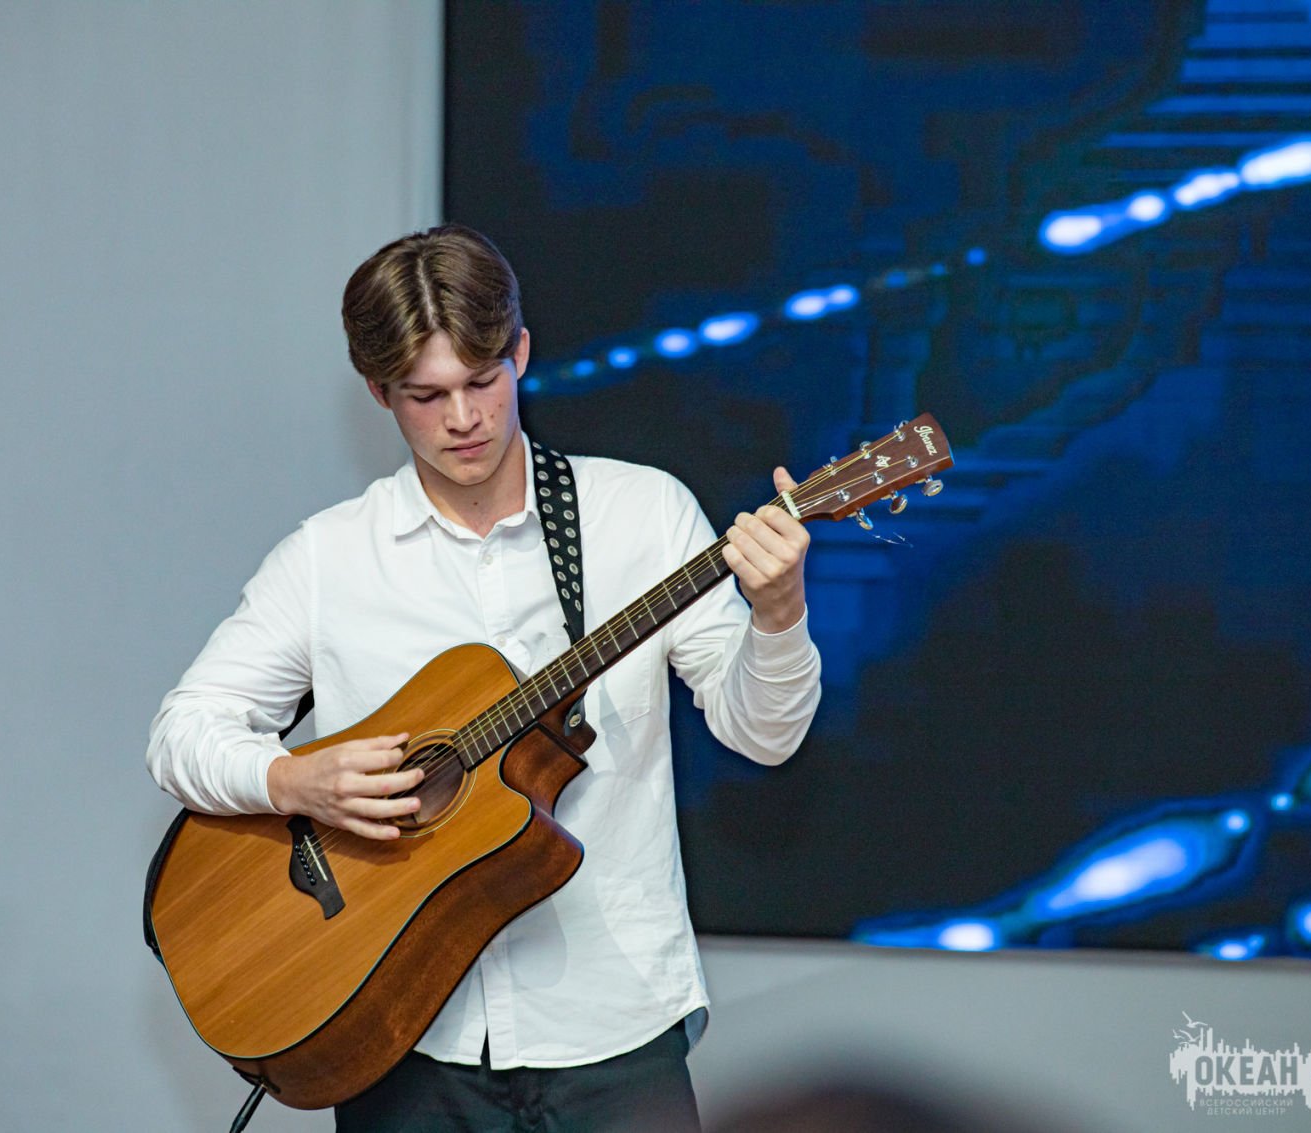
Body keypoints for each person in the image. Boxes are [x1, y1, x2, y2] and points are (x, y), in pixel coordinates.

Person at [146, 224, 821, 1132]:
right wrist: (293, 779)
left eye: (482, 379)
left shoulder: (641, 513)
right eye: (426, 395)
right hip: (402, 1032)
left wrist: (778, 612)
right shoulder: (327, 559)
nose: (463, 418)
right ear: (379, 392)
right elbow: (182, 732)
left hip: (614, 1020)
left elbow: (764, 733)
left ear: (521, 353)